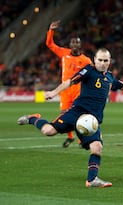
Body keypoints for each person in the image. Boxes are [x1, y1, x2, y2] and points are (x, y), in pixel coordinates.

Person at [17, 48, 123, 187]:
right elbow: (70, 82)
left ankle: (92, 180)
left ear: (109, 61)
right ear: (94, 60)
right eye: (100, 60)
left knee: (97, 147)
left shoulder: (109, 77)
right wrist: (54, 92)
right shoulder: (88, 70)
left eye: (106, 60)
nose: (103, 63)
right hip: (76, 112)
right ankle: (33, 118)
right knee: (48, 131)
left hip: (91, 120)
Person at [46, 20, 92, 148]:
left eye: (77, 42)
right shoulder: (64, 53)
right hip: (65, 90)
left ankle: (81, 140)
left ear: (80, 45)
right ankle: (70, 137)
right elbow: (49, 44)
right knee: (63, 114)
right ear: (70, 45)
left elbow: (93, 74)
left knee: (79, 115)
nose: (75, 44)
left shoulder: (86, 60)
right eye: (73, 42)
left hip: (78, 90)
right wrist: (51, 30)